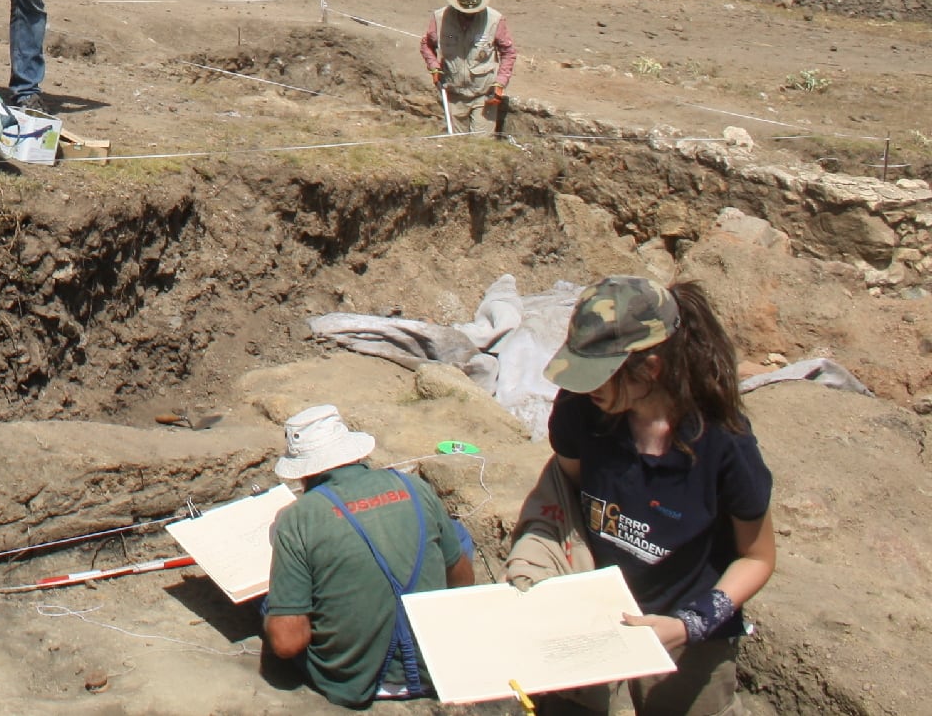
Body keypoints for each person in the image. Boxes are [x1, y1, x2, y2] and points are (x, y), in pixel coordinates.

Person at [508, 277, 774, 716]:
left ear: (649, 369)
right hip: (596, 621)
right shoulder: (581, 412)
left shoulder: (724, 446)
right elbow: (569, 491)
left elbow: (757, 557)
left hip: (686, 643)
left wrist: (688, 626)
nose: (585, 387)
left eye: (599, 375)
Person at [264, 403, 474, 707]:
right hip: (435, 668)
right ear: (355, 454)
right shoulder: (414, 487)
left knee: (272, 604)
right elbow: (461, 580)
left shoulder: (297, 519)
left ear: (303, 473)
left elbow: (287, 643)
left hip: (353, 681)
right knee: (457, 534)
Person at [419, 0, 514, 134]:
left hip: (484, 97)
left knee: (481, 147)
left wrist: (500, 82)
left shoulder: (495, 20)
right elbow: (426, 45)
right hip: (454, 95)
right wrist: (434, 67)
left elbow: (509, 52)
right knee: (458, 146)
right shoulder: (440, 18)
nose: (469, 14)